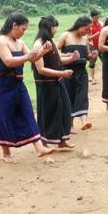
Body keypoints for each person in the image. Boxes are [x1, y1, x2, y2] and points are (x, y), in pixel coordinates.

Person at [0, 12, 55, 164]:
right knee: (4, 117)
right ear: (14, 25)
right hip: (3, 86)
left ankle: (39, 148)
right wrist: (29, 56)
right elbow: (8, 61)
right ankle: (6, 153)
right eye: (23, 29)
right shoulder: (1, 41)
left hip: (18, 83)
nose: (23, 32)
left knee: (28, 112)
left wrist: (42, 52)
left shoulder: (20, 42)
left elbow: (33, 58)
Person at [32, 16, 79, 149]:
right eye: (55, 26)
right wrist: (62, 73)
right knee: (47, 111)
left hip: (57, 81)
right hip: (45, 84)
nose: (56, 30)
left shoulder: (51, 41)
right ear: (50, 27)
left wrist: (72, 58)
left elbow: (58, 60)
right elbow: (41, 69)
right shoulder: (38, 44)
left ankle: (62, 140)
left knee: (64, 108)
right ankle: (44, 142)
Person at [57, 16, 98, 132]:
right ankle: (70, 124)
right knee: (69, 96)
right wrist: (67, 56)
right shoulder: (65, 36)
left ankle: (84, 121)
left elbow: (88, 56)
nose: (88, 32)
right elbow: (54, 53)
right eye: (87, 29)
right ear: (80, 25)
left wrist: (92, 56)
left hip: (82, 72)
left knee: (82, 94)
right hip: (68, 72)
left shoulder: (85, 39)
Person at [87, 9, 103, 85]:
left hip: (101, 45)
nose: (97, 19)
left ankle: (105, 76)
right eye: (96, 17)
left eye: (98, 17)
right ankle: (92, 78)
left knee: (105, 61)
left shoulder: (100, 23)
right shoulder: (88, 25)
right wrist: (96, 35)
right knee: (92, 62)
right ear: (92, 17)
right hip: (93, 46)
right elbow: (88, 38)